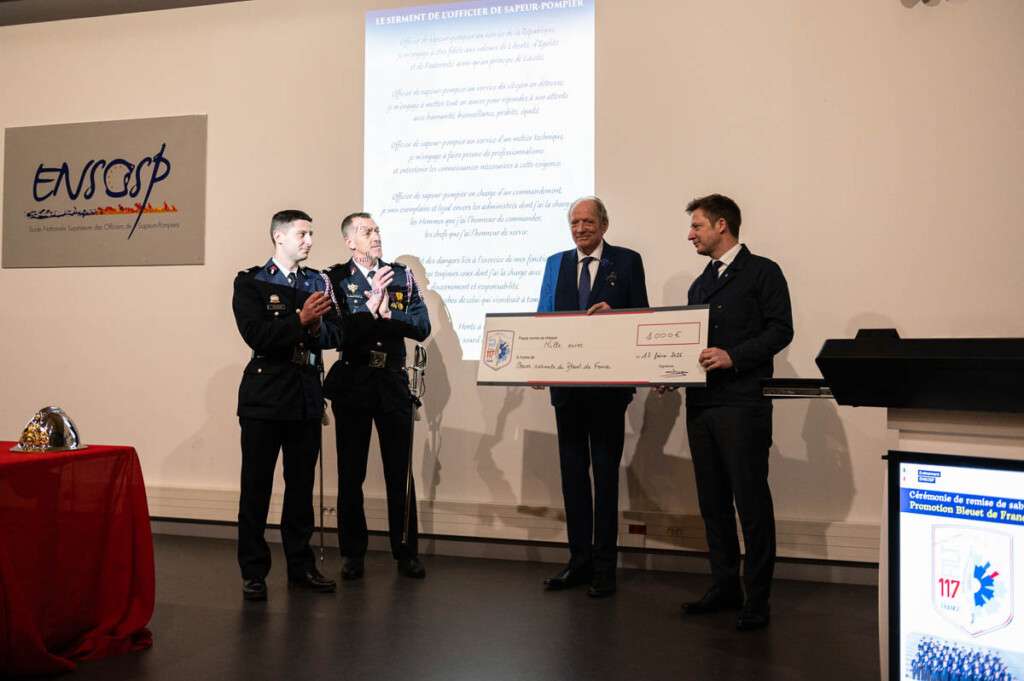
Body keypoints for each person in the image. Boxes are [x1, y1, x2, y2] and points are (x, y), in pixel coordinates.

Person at [679, 193, 793, 630]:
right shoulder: (698, 285)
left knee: (751, 503)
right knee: (713, 504)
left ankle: (758, 598)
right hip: (702, 404)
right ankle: (725, 586)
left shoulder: (763, 271)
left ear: (721, 225)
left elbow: (781, 329)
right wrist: (670, 371)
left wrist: (734, 356)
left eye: (697, 226)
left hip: (743, 404)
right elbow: (687, 346)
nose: (690, 235)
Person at [536, 196, 648, 597]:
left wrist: (615, 317)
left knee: (604, 477)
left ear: (604, 224)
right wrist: (535, 363)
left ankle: (605, 568)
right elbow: (543, 319)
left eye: (587, 221)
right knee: (572, 480)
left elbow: (642, 318)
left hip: (607, 393)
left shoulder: (627, 261)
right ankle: (578, 562)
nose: (580, 228)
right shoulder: (556, 263)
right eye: (574, 222)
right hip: (566, 393)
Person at [232, 209, 342, 601]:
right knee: (256, 487)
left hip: (305, 394)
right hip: (265, 395)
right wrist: (300, 319)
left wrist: (317, 325)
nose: (309, 240)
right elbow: (257, 335)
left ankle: (300, 567)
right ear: (279, 237)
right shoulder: (252, 282)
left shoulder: (318, 282)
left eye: (311, 234)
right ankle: (254, 572)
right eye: (302, 234)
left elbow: (336, 334)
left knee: (300, 489)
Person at [323, 212, 431, 580]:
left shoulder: (402, 276)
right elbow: (336, 333)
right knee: (351, 472)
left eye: (377, 230)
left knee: (399, 472)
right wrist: (368, 312)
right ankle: (353, 553)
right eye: (366, 231)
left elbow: (422, 326)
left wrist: (389, 316)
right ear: (349, 241)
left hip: (392, 383)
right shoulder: (335, 279)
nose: (375, 236)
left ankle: (405, 551)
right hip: (354, 381)